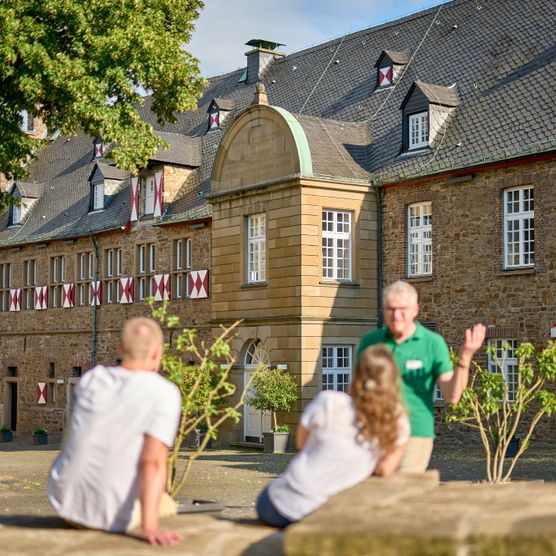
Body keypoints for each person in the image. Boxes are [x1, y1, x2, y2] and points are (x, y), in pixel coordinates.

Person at [48, 317, 182, 546]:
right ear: (157, 352)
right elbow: (153, 461)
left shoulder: (92, 379)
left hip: (65, 502)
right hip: (110, 513)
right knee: (168, 504)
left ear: (120, 349)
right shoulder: (164, 393)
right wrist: (150, 527)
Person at [256, 345, 409, 527]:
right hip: (327, 510)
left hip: (281, 503)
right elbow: (384, 469)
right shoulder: (398, 422)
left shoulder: (329, 401)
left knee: (271, 493)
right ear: (392, 381)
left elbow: (301, 443)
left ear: (357, 375)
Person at [357, 280, 486, 473]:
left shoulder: (432, 343)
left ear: (415, 310)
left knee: (403, 491)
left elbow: (452, 396)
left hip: (415, 432)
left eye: (402, 309)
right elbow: (356, 389)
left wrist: (465, 357)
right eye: (390, 309)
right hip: (373, 432)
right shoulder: (370, 342)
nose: (396, 316)